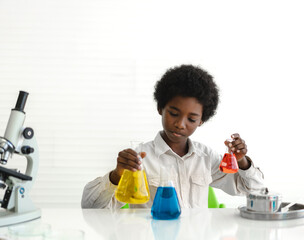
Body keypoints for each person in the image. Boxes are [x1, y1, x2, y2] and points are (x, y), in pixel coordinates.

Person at [81, 64, 265, 209]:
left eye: (192, 119)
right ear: (160, 108)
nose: (180, 124)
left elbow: (254, 190)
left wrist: (241, 162)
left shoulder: (206, 158)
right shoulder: (139, 159)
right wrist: (117, 175)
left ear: (201, 120)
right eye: (174, 113)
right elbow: (91, 207)